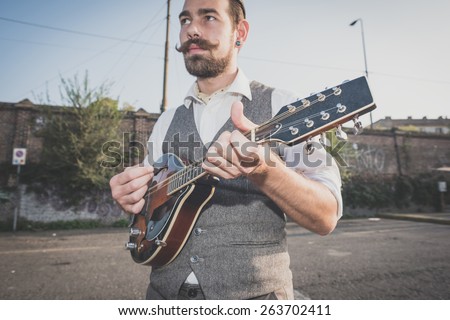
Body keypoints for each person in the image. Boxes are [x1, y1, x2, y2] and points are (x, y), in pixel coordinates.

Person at [110, 0, 342, 300]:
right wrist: (131, 195)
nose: (191, 29)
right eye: (184, 20)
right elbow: (149, 203)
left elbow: (326, 216)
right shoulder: (167, 119)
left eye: (208, 17)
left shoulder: (283, 106)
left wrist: (265, 172)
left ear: (240, 31)